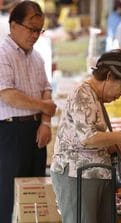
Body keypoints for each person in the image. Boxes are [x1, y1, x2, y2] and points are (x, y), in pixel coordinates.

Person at [50, 49, 121, 223]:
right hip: (78, 176)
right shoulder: (82, 93)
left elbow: (91, 136)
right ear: (109, 76)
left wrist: (114, 146)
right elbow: (87, 138)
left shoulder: (94, 97)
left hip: (93, 175)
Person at [0, 1, 57, 222]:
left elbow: (46, 90)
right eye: (31, 29)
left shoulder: (37, 57)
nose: (35, 35)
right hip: (10, 132)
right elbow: (7, 94)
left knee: (35, 191)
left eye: (39, 30)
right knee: (8, 193)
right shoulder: (3, 54)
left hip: (36, 131)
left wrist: (45, 123)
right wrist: (44, 107)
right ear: (13, 25)